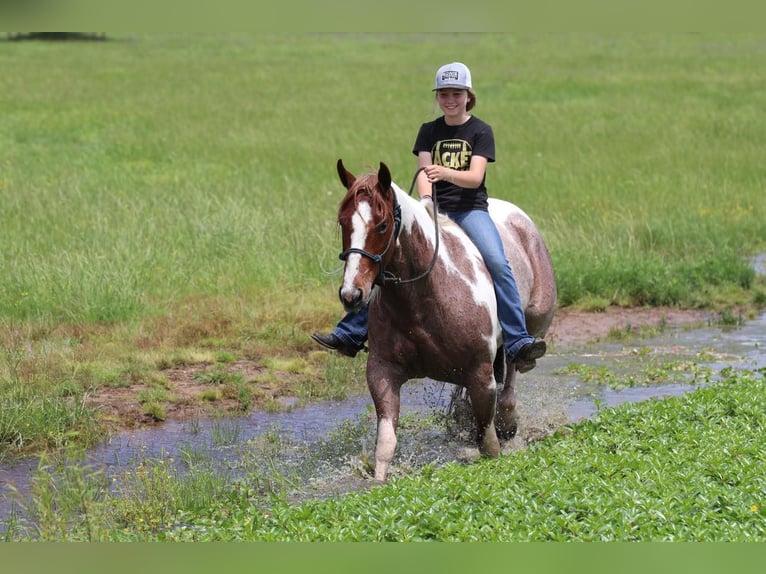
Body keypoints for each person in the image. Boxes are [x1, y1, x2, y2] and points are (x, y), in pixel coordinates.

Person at [312, 62, 546, 373]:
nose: (450, 99)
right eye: (444, 94)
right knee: (387, 260)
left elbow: (475, 177)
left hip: (470, 210)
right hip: (435, 209)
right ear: (438, 97)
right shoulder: (429, 131)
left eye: (456, 94)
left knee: (498, 262)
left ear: (468, 96)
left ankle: (516, 341)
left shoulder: (480, 131)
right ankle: (352, 332)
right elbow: (424, 172)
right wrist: (425, 200)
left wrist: (445, 172)